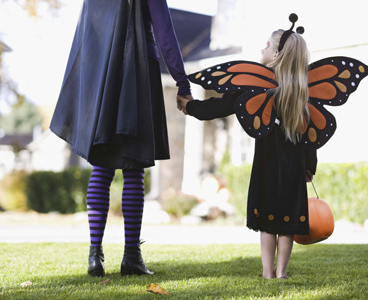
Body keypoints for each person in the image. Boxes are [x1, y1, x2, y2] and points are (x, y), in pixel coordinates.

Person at [50, 0, 193, 277]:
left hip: (102, 77)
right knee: (133, 170)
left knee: (101, 169)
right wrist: (182, 83)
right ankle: (131, 257)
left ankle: (95, 256)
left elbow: (84, 38)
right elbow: (164, 32)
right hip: (137, 74)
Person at [178, 27, 317, 279]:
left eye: (266, 45)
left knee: (267, 219)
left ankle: (267, 272)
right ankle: (282, 272)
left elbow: (221, 105)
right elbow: (310, 137)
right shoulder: (302, 91)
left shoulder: (255, 84)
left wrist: (192, 107)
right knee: (287, 220)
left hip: (267, 163)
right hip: (294, 167)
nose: (261, 49)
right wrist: (309, 166)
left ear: (276, 54)